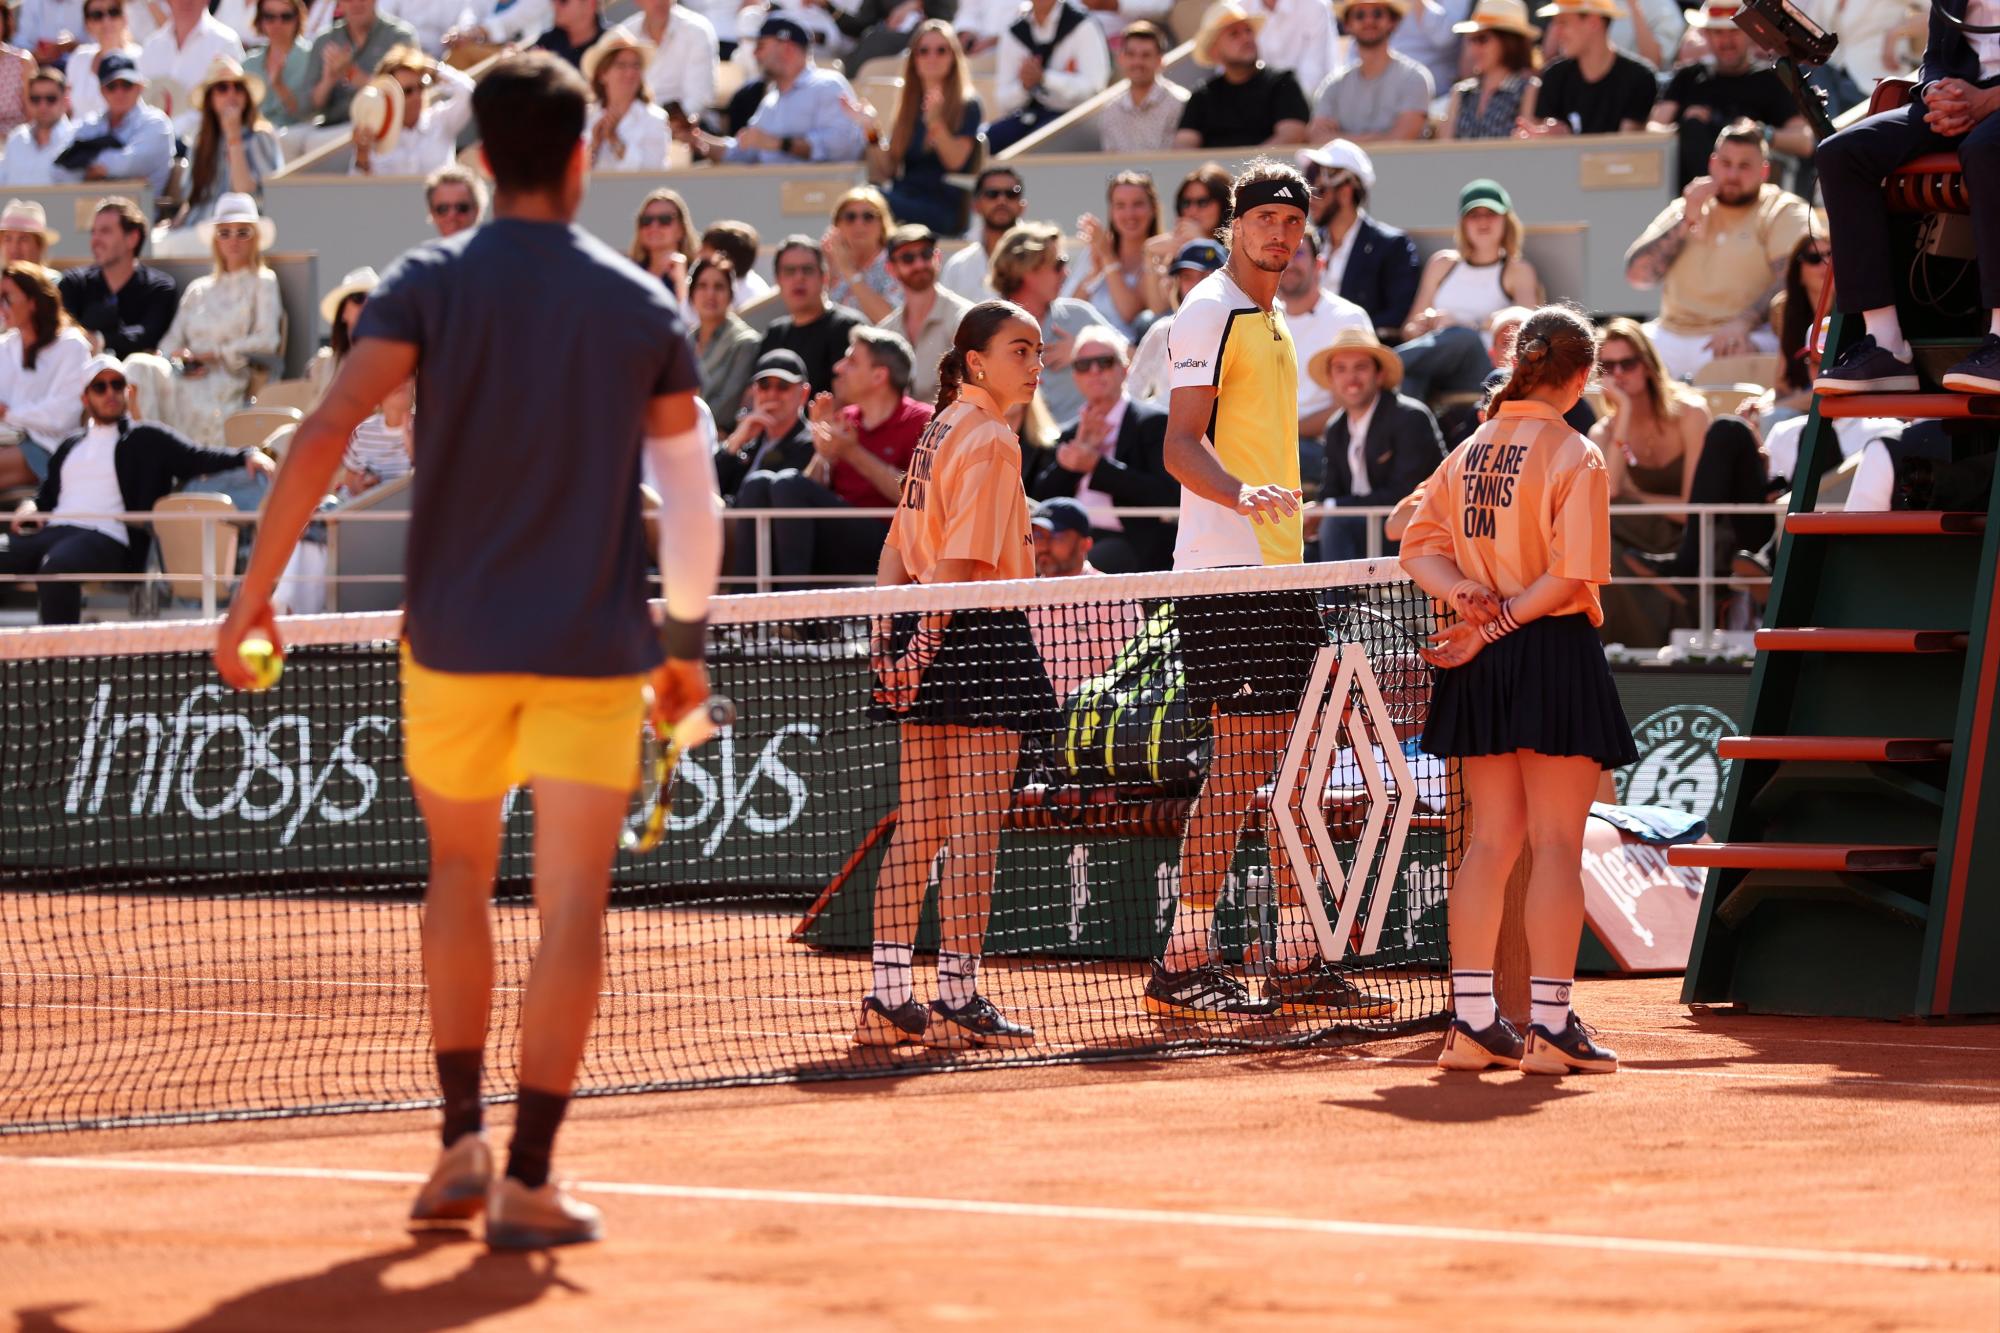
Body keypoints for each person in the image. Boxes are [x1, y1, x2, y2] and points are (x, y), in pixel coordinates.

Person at [215, 51, 718, 1250]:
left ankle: (458, 1147)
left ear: (480, 162)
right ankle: (528, 1177)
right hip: (592, 649)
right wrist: (686, 644)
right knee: (572, 912)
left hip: (448, 643)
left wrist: (253, 598)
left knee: (455, 876)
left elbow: (327, 429)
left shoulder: (424, 282)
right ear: (584, 156)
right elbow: (692, 498)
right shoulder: (640, 305)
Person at [1154, 158, 1394, 1021]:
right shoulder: (1208, 308)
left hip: (1281, 571)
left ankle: (1297, 957)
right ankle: (1183, 961)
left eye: (1294, 222)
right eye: (1266, 219)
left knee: (1298, 766)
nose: (1281, 235)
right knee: (1241, 765)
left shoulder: (1278, 319)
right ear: (1235, 223)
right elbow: (1181, 446)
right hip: (1225, 574)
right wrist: (1240, 494)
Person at [1398, 303, 1633, 1076]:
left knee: (1491, 843)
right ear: (1579, 376)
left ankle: (1472, 1022)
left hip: (1484, 660)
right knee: (1558, 844)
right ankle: (1552, 1026)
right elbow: (1571, 576)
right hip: (1548, 650)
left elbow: (1416, 547)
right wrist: (1493, 621)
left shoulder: (1467, 449)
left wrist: (1468, 597)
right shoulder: (1576, 452)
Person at [856, 298, 1056, 1051]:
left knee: (921, 823)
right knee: (974, 828)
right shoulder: (993, 438)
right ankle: (959, 995)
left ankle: (888, 991)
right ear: (976, 361)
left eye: (1038, 351)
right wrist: (917, 651)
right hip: (972, 627)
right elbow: (964, 561)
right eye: (1019, 351)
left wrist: (891, 639)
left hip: (921, 618)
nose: (1034, 365)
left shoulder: (937, 427)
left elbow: (896, 547)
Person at [1813, 0, 2000, 398]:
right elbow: (1935, 59)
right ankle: (1886, 346)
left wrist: (1986, 101)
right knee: (1841, 154)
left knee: (1985, 150)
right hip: (1962, 98)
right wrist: (1935, 93)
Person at [3, 353, 272, 621]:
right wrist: (31, 506)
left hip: (108, 537)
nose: (110, 393)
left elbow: (197, 457)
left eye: (117, 385)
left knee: (57, 567)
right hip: (56, 530)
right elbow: (46, 494)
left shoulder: (147, 437)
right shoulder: (70, 445)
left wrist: (247, 454)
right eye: (100, 386)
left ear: (128, 391)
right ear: (85, 399)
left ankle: (55, 658)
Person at [727, 326, 929, 586]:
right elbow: (806, 489)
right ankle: (741, 611)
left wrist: (852, 452)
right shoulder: (846, 418)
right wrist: (822, 454)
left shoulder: (923, 421)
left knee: (788, 482)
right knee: (760, 483)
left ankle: (796, 613)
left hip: (890, 546)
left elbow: (917, 499)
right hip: (839, 538)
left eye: (852, 362)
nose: (838, 368)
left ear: (879, 375)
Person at [1624, 119, 1810, 379]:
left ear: (1764, 171)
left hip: (1743, 334)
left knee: (1734, 357)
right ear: (1712, 164)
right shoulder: (1687, 205)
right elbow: (1638, 277)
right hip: (1670, 331)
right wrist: (1686, 221)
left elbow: (1794, 279)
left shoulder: (1781, 210)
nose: (1732, 175)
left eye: (1744, 166)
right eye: (1725, 164)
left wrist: (1743, 323)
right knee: (1616, 355)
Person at [123, 193, 282, 447]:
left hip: (226, 376)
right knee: (137, 365)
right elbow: (169, 343)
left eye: (243, 232)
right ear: (215, 239)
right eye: (225, 232)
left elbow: (267, 340)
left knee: (194, 401)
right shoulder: (199, 288)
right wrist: (179, 360)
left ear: (256, 238)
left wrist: (212, 354)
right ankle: (146, 456)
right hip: (182, 374)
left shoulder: (263, 282)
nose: (233, 240)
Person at [1028, 324, 1176, 571]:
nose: (1094, 371)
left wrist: (1096, 466)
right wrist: (1069, 466)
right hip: (1069, 538)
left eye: (1105, 362)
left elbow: (1167, 494)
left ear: (1125, 370)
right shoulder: (1071, 432)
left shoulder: (1152, 423)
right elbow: (1040, 501)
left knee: (1085, 562)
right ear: (1075, 375)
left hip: (1131, 541)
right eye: (1084, 365)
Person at [1397, 177, 1541, 401]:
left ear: (1506, 220)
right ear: (1463, 223)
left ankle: (1381, 365)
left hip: (1485, 368)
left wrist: (1464, 324)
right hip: (1437, 364)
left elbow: (1528, 328)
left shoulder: (1517, 270)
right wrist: (1425, 325)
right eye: (1474, 215)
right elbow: (1408, 328)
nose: (1483, 222)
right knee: (1409, 377)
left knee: (1464, 337)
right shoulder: (1442, 264)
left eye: (1491, 214)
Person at [1310, 325, 1445, 559]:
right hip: (1356, 532)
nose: (1351, 378)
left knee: (1333, 525)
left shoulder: (1409, 417)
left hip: (1410, 532)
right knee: (1302, 552)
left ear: (1379, 374)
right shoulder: (1336, 427)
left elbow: (1403, 494)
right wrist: (1319, 510)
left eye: (1360, 367)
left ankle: (1337, 598)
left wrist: (1331, 508)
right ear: (1331, 378)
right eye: (1340, 369)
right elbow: (1330, 490)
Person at [1650, 0, 1809, 190]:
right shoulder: (1687, 77)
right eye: (1718, 32)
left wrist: (1760, 133)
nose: (1726, 41)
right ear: (1706, 35)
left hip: (1749, 197)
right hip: (1689, 195)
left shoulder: (1771, 81)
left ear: (1750, 34)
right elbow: (1652, 131)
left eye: (1734, 31)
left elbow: (1803, 141)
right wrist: (1683, 127)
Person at [851, 19, 981, 237]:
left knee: (869, 202)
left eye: (942, 50)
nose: (932, 57)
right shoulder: (908, 106)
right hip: (906, 195)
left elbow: (956, 161)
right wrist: (871, 129)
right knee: (860, 202)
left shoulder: (967, 104)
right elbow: (888, 171)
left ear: (954, 57)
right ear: (914, 59)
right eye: (924, 51)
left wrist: (935, 122)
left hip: (942, 204)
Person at [682, 15, 866, 164]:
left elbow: (843, 148)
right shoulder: (772, 99)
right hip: (773, 196)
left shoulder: (827, 85)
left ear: (787, 48)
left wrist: (778, 144)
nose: (754, 54)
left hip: (816, 196)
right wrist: (697, 139)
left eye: (761, 46)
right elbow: (741, 152)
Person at [986, 220, 1108, 427]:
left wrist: (1083, 351)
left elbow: (1134, 359)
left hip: (1082, 442)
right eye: (1059, 264)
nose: (1065, 273)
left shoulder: (1078, 315)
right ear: (1028, 269)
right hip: (1013, 443)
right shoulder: (985, 326)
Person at [1298, 138, 1419, 343]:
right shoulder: (1307, 243)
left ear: (1345, 192)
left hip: (1353, 357)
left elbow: (1396, 316)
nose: (1311, 200)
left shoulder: (1391, 246)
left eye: (1319, 191)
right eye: (1307, 192)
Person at [154, 57, 281, 249]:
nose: (231, 94)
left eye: (238, 87)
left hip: (241, 230)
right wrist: (176, 222)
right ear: (210, 99)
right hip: (200, 224)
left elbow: (246, 192)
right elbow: (194, 197)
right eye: (222, 88)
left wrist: (234, 138)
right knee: (156, 242)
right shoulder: (201, 141)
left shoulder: (261, 136)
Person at [0, 261, 96, 490]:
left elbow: (64, 415)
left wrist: (10, 414)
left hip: (48, 450)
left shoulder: (71, 345)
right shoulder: (5, 346)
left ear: (32, 302)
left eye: (7, 298)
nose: (1, 306)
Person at [1279, 228, 1373, 445]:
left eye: (1298, 254)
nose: (1290, 263)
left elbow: (1355, 401)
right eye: (1283, 255)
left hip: (1324, 444)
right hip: (1270, 441)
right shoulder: (1262, 318)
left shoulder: (1347, 317)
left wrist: (1285, 433)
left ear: (1319, 265)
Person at [1175, 1, 1309, 149]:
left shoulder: (1282, 83)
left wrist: (1247, 169)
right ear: (1215, 52)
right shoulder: (1202, 96)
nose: (1246, 38)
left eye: (1248, 31)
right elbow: (1183, 148)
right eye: (1234, 34)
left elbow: (1292, 136)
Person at [58, 196, 179, 359]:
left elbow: (148, 335)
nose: (95, 240)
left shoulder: (159, 287)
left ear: (132, 238)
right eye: (93, 232)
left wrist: (99, 340)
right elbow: (62, 332)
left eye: (105, 231)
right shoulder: (73, 283)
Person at [1517, 0, 1655, 136]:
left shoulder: (1639, 78)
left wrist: (1565, 142)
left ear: (1593, 23)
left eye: (1563, 23)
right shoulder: (1554, 76)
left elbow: (1627, 149)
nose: (1556, 33)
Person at [985, 0, 1108, 153]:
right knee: (984, 142)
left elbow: (1094, 89)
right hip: (1027, 117)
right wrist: (1025, 86)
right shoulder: (1014, 31)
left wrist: (1045, 78)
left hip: (1072, 122)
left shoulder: (1083, 25)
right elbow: (1003, 100)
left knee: (1036, 144)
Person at [1307, 0, 1434, 143]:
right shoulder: (1333, 84)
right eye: (1359, 15)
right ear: (1347, 25)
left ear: (1393, 22)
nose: (1369, 20)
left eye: (1377, 14)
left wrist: (1340, 139)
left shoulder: (1414, 77)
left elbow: (1401, 140)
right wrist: (1375, 139)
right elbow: (1317, 137)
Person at [756, 235, 867, 395]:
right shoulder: (774, 333)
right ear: (778, 280)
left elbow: (849, 400)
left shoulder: (848, 327)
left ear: (824, 278)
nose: (798, 277)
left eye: (807, 270)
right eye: (789, 271)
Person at [879, 222, 971, 406]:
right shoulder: (886, 330)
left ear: (937, 257)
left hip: (954, 427)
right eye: (908, 258)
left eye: (926, 254)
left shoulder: (964, 318)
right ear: (891, 268)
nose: (919, 264)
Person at [54, 53, 171, 193]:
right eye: (111, 86)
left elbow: (131, 163)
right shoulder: (90, 124)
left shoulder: (155, 122)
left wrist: (84, 163)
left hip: (142, 212)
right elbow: (58, 169)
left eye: (127, 85)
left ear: (140, 86)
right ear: (102, 91)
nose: (119, 92)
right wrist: (102, 169)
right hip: (89, 210)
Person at [1128, 236, 1224, 405]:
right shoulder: (1163, 330)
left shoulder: (1244, 327)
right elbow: (1132, 392)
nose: (1196, 284)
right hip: (1165, 428)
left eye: (1205, 276)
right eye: (1187, 277)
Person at [1069, 170, 1163, 341]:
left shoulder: (1159, 256)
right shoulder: (1094, 250)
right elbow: (1069, 310)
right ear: (1111, 211)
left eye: (1138, 204)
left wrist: (1108, 258)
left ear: (1153, 208)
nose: (1129, 214)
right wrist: (1094, 274)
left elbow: (1130, 313)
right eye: (1120, 205)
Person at [355, 45, 476, 178]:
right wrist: (362, 157)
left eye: (421, 86)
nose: (417, 95)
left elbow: (469, 93)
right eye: (407, 91)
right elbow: (358, 188)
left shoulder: (440, 121)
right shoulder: (374, 134)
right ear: (388, 95)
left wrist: (435, 70)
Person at [713, 346, 811, 503]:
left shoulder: (810, 444)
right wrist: (734, 443)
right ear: (754, 391)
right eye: (764, 385)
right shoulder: (747, 441)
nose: (772, 394)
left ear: (804, 393)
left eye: (783, 386)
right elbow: (707, 485)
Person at [138, 0, 244, 138]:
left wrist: (172, 131)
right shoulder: (152, 46)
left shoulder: (225, 42)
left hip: (204, 146)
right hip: (152, 143)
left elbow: (231, 103)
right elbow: (140, 101)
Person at [1436, 0, 1539, 140]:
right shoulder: (1461, 92)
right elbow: (1444, 149)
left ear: (1508, 42)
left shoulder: (1528, 89)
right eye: (1472, 39)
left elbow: (1530, 148)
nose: (1474, 48)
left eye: (1482, 39)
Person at [304, 0, 416, 127]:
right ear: (339, 3)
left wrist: (350, 73)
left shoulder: (399, 37)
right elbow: (308, 108)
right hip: (330, 128)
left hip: (383, 126)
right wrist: (328, 80)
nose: (356, 4)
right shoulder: (324, 41)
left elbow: (407, 95)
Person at [581, 27, 667, 172]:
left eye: (636, 65)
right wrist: (594, 145)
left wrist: (615, 141)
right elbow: (573, 176)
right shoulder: (584, 117)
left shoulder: (655, 119)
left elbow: (653, 173)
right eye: (621, 65)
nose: (630, 73)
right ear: (602, 74)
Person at [617, 0, 716, 121]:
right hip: (635, 127)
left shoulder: (697, 30)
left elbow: (698, 99)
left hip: (686, 128)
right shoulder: (625, 34)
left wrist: (665, 126)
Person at [688, 255, 757, 426]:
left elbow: (726, 409)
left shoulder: (745, 342)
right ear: (692, 293)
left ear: (731, 295)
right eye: (702, 286)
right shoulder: (685, 341)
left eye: (719, 287)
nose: (710, 294)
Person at [939, 165, 1025, 302]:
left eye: (1011, 193)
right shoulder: (958, 266)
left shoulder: (1043, 262)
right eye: (992, 194)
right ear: (976, 205)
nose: (1001, 200)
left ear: (1022, 206)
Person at [1099, 20, 1185, 154]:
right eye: (1131, 54)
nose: (1137, 62)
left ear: (1160, 60)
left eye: (1146, 55)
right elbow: (1110, 162)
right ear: (1121, 59)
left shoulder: (1179, 103)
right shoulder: (1111, 109)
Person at [821, 185, 899, 323]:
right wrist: (829, 274)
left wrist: (850, 272)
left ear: (882, 223)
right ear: (837, 225)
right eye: (850, 217)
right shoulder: (827, 261)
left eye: (868, 217)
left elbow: (890, 320)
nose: (859, 224)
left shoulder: (897, 262)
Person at [67, 0, 144, 127]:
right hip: (80, 141)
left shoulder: (141, 57)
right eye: (97, 15)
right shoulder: (79, 58)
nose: (106, 21)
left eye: (114, 12)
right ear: (87, 24)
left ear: (125, 18)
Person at [1253, 0, 1338, 112]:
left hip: (1309, 110)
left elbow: (1314, 75)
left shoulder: (1315, 6)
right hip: (1257, 111)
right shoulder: (1240, 8)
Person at [308, 264, 374, 403]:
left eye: (374, 298)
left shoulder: (393, 359)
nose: (367, 303)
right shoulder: (324, 364)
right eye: (358, 297)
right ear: (343, 312)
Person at [242, 0, 311, 132]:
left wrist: (278, 85)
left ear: (297, 18)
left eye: (286, 16)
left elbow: (307, 114)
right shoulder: (249, 63)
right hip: (257, 135)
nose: (277, 24)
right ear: (260, 19)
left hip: (297, 134)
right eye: (269, 16)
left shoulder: (311, 57)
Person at [0, 65, 72, 185]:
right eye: (35, 99)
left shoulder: (76, 140)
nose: (42, 106)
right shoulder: (16, 139)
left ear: (65, 100)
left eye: (51, 98)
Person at [628, 187, 695, 307]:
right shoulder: (629, 272)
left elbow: (693, 320)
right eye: (646, 220)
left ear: (681, 229)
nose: (654, 226)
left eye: (664, 220)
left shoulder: (698, 273)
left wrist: (681, 281)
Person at [534, 0, 606, 70]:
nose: (554, 5)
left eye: (563, 1)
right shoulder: (545, 43)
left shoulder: (611, 46)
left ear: (590, 3)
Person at [424, 162, 486, 237]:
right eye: (443, 209)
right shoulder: (424, 249)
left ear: (477, 211)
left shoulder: (496, 248)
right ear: (432, 213)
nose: (452, 215)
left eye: (462, 208)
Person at [0, 198, 57, 264]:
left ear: (40, 245)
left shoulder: (53, 274)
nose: (14, 247)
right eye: (8, 239)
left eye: (23, 239)